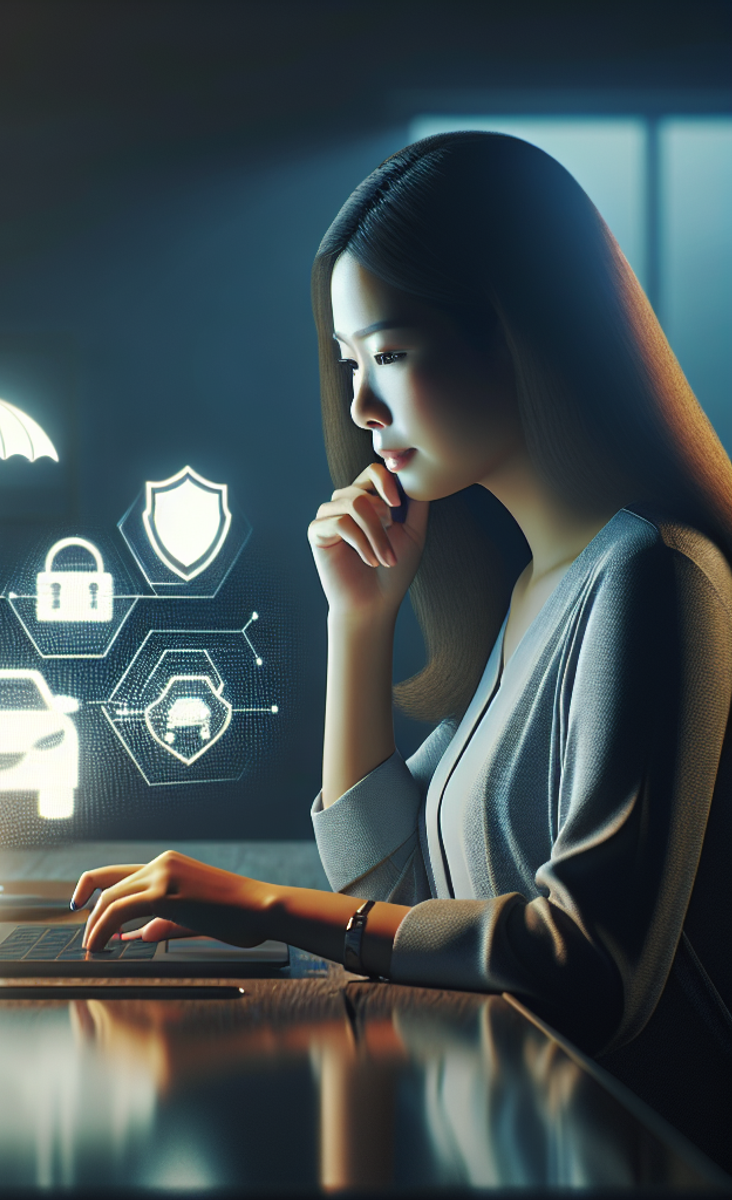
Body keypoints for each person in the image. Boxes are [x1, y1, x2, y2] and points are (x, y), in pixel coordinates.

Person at [71, 132, 732, 1165]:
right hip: (521, 1144)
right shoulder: (534, 593)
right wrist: (360, 623)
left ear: (519, 333)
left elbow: (591, 967)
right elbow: (394, 894)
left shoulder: (654, 578)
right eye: (348, 365)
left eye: (390, 355)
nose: (360, 408)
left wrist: (269, 908)